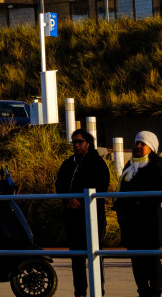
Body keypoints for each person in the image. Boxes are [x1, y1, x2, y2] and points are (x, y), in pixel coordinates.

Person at [113, 131, 162, 297]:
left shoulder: (157, 164)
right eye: (137, 143)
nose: (138, 146)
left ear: (150, 147)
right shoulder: (130, 164)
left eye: (142, 144)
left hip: (149, 220)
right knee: (136, 260)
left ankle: (155, 292)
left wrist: (142, 201)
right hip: (131, 221)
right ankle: (143, 292)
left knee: (152, 259)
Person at [56, 127, 110, 296]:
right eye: (74, 142)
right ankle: (79, 291)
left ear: (88, 143)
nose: (76, 145)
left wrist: (83, 201)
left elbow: (102, 186)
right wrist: (68, 199)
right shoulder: (67, 163)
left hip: (93, 216)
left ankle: (98, 290)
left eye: (80, 142)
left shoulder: (97, 162)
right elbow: (60, 184)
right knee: (76, 256)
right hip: (72, 217)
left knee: (95, 254)